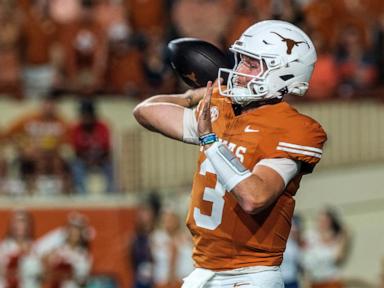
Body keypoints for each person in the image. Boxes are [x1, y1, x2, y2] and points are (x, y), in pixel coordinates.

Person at [133, 20, 327, 288]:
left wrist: (211, 141)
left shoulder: (293, 128)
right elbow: (145, 111)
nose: (238, 70)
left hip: (249, 275)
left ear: (283, 73)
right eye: (241, 60)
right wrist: (193, 96)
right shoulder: (224, 108)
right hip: (203, 270)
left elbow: (254, 197)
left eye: (251, 63)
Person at [70, 99, 115, 194]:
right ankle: (81, 193)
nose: (86, 118)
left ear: (93, 115)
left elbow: (107, 149)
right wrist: (88, 160)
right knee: (76, 165)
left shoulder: (102, 127)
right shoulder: (76, 128)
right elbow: (76, 151)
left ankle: (111, 192)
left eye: (88, 115)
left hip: (101, 159)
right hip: (83, 159)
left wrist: (97, 159)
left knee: (110, 165)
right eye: (84, 115)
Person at [300, 208, 350, 288]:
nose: (322, 223)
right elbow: (304, 259)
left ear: (331, 222)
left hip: (332, 281)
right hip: (314, 281)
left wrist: (343, 236)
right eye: (320, 220)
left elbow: (338, 257)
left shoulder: (337, 237)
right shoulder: (309, 236)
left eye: (326, 220)